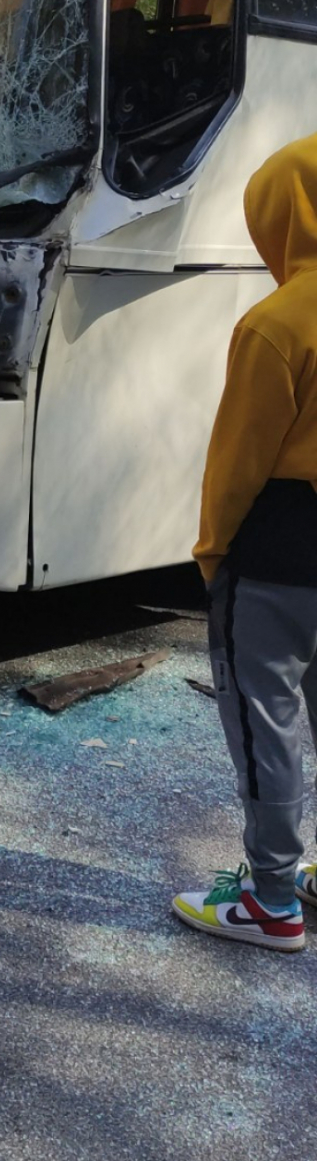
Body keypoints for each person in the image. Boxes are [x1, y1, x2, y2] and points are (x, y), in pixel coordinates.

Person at [173, 132, 317, 952]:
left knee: (267, 725)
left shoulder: (277, 324)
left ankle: (271, 901)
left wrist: (213, 553)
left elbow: (238, 463)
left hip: (278, 555)